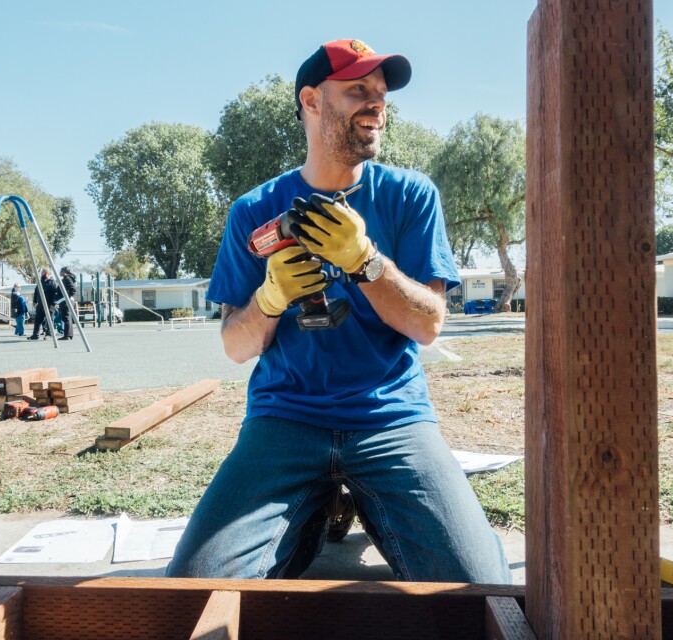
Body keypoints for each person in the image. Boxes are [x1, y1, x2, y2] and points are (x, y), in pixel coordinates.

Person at [167, 39, 511, 584]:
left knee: (481, 584)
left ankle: (370, 501)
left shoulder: (411, 195)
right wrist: (270, 298)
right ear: (310, 100)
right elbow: (235, 346)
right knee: (192, 586)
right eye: (357, 90)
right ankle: (314, 510)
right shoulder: (254, 211)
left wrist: (365, 260)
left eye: (380, 94)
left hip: (391, 420)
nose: (376, 104)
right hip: (284, 419)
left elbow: (429, 323)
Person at [28, 268, 59, 340]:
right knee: (37, 320)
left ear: (48, 274)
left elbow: (56, 294)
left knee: (49, 320)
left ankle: (49, 334)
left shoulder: (53, 282)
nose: (42, 274)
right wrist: (35, 301)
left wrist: (54, 304)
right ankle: (35, 335)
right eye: (42, 272)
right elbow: (36, 292)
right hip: (40, 305)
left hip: (50, 305)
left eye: (43, 273)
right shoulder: (40, 282)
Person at [57, 267, 77, 340]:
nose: (59, 272)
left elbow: (73, 289)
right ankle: (69, 334)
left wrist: (67, 296)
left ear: (64, 272)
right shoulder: (69, 278)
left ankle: (67, 335)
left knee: (66, 317)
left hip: (66, 300)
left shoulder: (67, 278)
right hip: (67, 299)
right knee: (67, 317)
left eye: (60, 271)